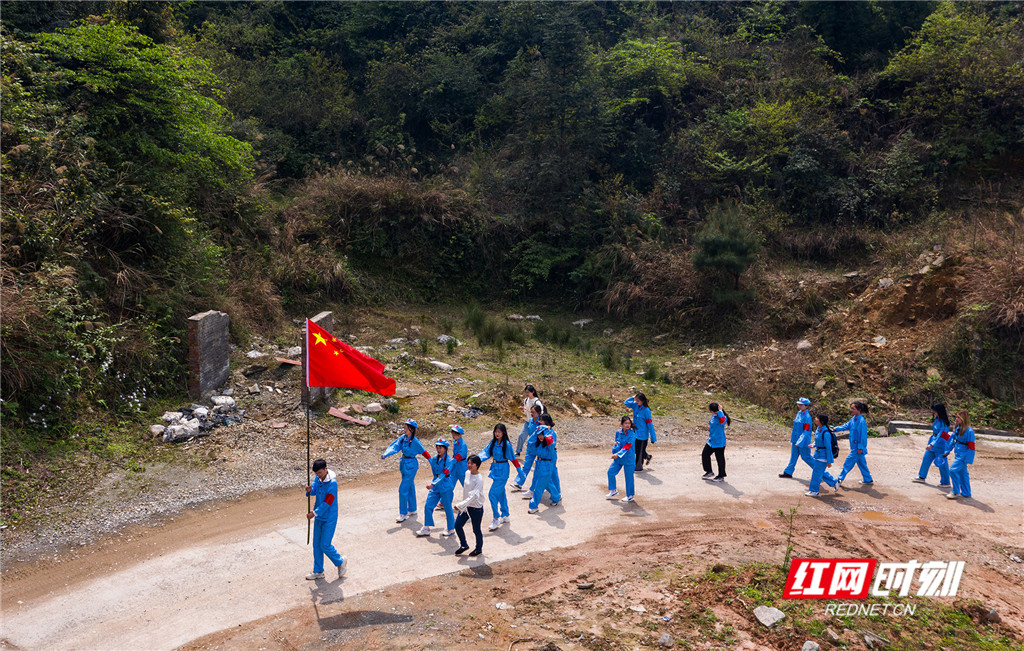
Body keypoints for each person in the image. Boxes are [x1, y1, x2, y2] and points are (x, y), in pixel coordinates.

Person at [381, 419, 430, 523]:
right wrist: (386, 454)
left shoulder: (415, 441)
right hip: (404, 463)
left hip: (411, 465)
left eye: (406, 428)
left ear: (411, 429)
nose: (404, 429)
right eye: (404, 427)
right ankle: (412, 509)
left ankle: (403, 513)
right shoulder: (403, 438)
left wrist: (433, 461)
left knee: (403, 489)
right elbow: (394, 446)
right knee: (410, 486)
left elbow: (424, 452)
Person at [304, 458, 346, 580]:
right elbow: (314, 489)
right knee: (316, 544)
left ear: (326, 469)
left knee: (325, 544)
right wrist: (310, 490)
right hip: (319, 517)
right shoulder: (317, 479)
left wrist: (314, 513)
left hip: (329, 517)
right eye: (316, 474)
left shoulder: (332, 483)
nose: (318, 475)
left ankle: (340, 561)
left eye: (320, 473)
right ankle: (318, 571)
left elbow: (328, 502)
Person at [478, 423, 521, 531]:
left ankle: (496, 517)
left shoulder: (506, 444)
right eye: (496, 432)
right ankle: (505, 514)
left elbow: (513, 458)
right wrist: (475, 460)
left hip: (503, 471)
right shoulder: (493, 443)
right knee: (501, 493)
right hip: (495, 469)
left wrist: (520, 471)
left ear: (503, 433)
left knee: (492, 494)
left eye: (499, 432)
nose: (497, 434)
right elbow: (485, 453)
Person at [416, 439, 456, 537]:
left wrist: (433, 484)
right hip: (436, 485)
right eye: (437, 447)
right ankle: (426, 527)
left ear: (445, 449)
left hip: (445, 485)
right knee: (428, 505)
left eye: (440, 447)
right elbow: (430, 460)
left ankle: (451, 528)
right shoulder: (435, 458)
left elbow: (443, 474)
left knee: (447, 508)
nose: (438, 449)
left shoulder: (449, 461)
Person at [834, 402, 873, 487]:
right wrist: (836, 429)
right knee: (862, 463)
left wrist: (860, 447)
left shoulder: (861, 421)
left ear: (859, 410)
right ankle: (868, 479)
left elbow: (863, 436)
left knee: (848, 463)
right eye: (851, 408)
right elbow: (846, 426)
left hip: (857, 448)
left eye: (853, 409)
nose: (851, 410)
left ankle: (839, 479)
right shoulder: (854, 419)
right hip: (855, 446)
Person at [528, 413, 562, 513]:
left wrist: (547, 432)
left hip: (547, 465)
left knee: (538, 486)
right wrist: (537, 432)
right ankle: (556, 497)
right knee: (547, 483)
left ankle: (533, 505)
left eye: (542, 435)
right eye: (539, 435)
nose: (540, 437)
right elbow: (530, 443)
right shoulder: (538, 441)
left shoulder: (550, 437)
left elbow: (551, 445)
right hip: (539, 464)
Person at [913, 402, 951, 486]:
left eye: (935, 411)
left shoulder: (944, 423)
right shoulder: (937, 419)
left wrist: (932, 444)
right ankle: (921, 476)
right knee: (926, 459)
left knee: (942, 463)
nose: (934, 413)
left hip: (940, 445)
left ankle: (945, 482)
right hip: (933, 441)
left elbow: (941, 435)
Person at [454, 454, 485, 556]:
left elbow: (474, 496)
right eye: (468, 463)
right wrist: (463, 505)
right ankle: (464, 545)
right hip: (466, 507)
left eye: (472, 463)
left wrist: (461, 504)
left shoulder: (479, 479)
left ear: (477, 465)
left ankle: (478, 548)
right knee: (457, 525)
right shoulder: (467, 473)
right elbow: (466, 490)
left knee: (476, 530)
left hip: (475, 508)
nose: (469, 465)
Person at [511, 404, 543, 492]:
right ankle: (519, 483)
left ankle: (550, 486)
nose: (532, 414)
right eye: (531, 412)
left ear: (539, 413)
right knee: (526, 466)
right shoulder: (531, 421)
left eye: (534, 412)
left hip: (539, 447)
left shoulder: (541, 422)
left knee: (541, 467)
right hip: (531, 447)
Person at [780, 398, 814, 478]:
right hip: (795, 440)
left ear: (806, 406)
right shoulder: (799, 413)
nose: (799, 406)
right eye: (798, 404)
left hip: (803, 442)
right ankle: (788, 472)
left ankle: (821, 471)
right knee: (793, 456)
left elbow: (806, 432)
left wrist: (799, 442)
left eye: (801, 405)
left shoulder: (807, 417)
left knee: (807, 458)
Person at [806, 414, 839, 497]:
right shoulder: (819, 429)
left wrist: (829, 461)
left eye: (817, 418)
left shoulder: (826, 432)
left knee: (816, 474)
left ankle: (814, 490)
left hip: (823, 456)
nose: (815, 419)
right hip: (818, 454)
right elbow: (817, 440)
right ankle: (834, 482)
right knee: (819, 472)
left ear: (822, 421)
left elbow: (828, 447)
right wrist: (813, 445)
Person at [606, 415, 637, 502]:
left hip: (628, 458)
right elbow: (616, 443)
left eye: (629, 423)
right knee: (610, 472)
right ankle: (613, 490)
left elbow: (627, 446)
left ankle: (630, 495)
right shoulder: (618, 432)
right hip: (618, 459)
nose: (627, 425)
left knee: (629, 477)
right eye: (626, 423)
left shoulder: (632, 434)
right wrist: (614, 449)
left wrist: (617, 454)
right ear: (622, 424)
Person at [947, 410, 976, 500]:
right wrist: (947, 450)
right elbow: (952, 439)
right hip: (958, 452)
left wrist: (968, 459)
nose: (956, 419)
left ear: (964, 419)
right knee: (963, 473)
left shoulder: (969, 431)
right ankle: (966, 492)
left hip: (964, 455)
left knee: (952, 470)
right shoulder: (957, 428)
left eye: (959, 417)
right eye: (956, 417)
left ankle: (955, 491)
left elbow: (971, 447)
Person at [625, 393, 656, 471]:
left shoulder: (646, 410)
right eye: (636, 400)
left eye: (638, 400)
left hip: (643, 435)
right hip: (635, 433)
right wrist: (633, 397)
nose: (636, 401)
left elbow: (650, 424)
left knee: (639, 452)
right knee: (635, 449)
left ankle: (638, 467)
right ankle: (647, 456)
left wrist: (653, 437)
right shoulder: (635, 406)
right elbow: (626, 403)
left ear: (642, 401)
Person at [702, 403, 729, 482]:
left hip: (719, 442)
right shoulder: (714, 416)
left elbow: (722, 421)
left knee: (720, 459)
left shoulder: (723, 417)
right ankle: (709, 471)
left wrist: (720, 411)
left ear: (712, 411)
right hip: (712, 441)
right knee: (705, 454)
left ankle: (721, 476)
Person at [515, 385, 544, 456]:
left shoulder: (536, 401)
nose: (527, 394)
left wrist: (530, 411)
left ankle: (538, 452)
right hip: (528, 421)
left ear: (533, 392)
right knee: (521, 435)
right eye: (526, 392)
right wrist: (523, 410)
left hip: (536, 423)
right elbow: (526, 412)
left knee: (535, 438)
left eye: (528, 392)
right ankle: (518, 451)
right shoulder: (526, 400)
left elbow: (541, 412)